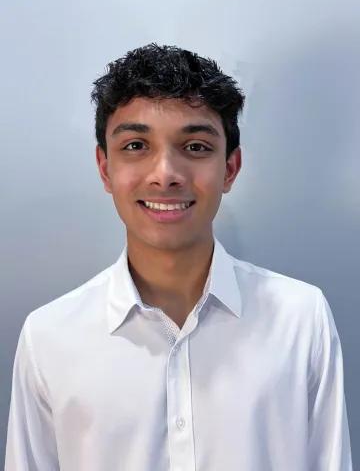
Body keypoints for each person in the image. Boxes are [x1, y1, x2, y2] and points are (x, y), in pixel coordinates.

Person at [5, 43, 352, 471]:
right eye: (135, 145)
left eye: (195, 147)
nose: (165, 174)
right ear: (104, 167)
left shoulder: (301, 319)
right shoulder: (48, 337)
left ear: (229, 168)